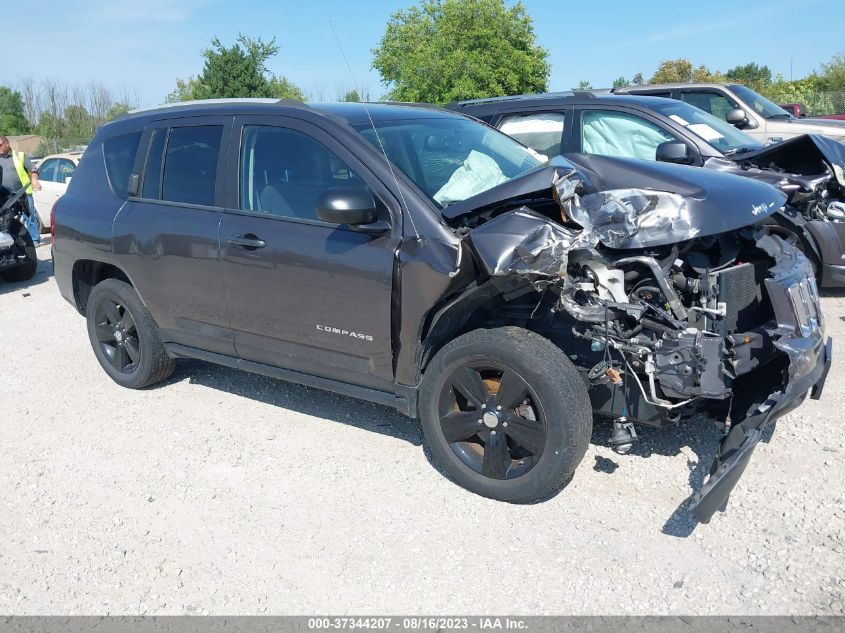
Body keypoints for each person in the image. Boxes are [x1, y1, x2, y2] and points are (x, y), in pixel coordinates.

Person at [0, 135, 41, 245]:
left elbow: (33, 169)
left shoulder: (19, 156)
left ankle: (34, 239)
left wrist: (34, 180)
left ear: (7, 144)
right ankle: (13, 240)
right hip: (5, 196)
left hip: (22, 193)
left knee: (29, 216)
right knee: (6, 219)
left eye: (0, 145)